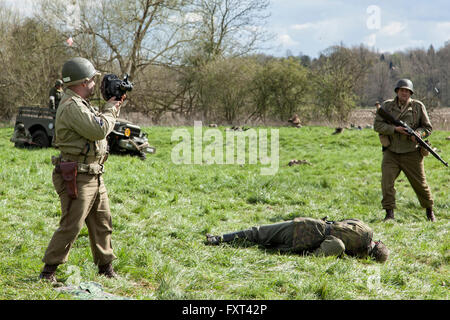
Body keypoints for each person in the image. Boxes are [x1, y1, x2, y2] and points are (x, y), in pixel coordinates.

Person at [39, 57, 125, 283]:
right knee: (72, 225)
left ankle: (105, 267)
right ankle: (49, 271)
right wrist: (111, 110)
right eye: (92, 81)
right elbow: (98, 130)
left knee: (102, 221)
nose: (95, 84)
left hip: (92, 173)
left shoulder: (80, 103)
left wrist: (112, 107)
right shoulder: (72, 106)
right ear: (83, 82)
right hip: (77, 175)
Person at [374, 79, 435, 222]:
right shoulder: (387, 106)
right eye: (402, 90)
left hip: (412, 152)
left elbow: (428, 128)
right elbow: (377, 125)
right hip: (391, 152)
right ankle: (389, 214)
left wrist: (419, 134)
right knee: (386, 183)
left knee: (421, 185)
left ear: (410, 93)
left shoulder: (418, 107)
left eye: (407, 91)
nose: (404, 93)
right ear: (397, 91)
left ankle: (429, 212)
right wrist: (395, 129)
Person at [206, 217, 389, 263]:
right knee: (260, 238)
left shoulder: (365, 228)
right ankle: (218, 239)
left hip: (307, 225)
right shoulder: (351, 250)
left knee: (257, 233)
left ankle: (218, 239)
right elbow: (331, 247)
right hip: (300, 241)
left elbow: (345, 222)